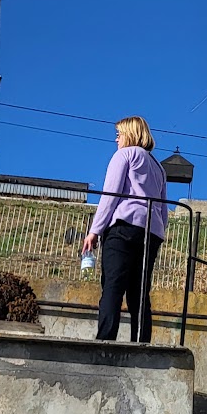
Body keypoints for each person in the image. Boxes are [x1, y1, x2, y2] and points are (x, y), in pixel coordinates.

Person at [82, 115, 168, 342]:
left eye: (119, 134)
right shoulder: (159, 168)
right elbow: (163, 208)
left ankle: (105, 340)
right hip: (151, 233)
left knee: (113, 285)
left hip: (123, 228)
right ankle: (141, 343)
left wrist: (95, 230)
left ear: (130, 134)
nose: (116, 139)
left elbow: (111, 195)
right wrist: (159, 232)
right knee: (139, 293)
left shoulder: (125, 155)